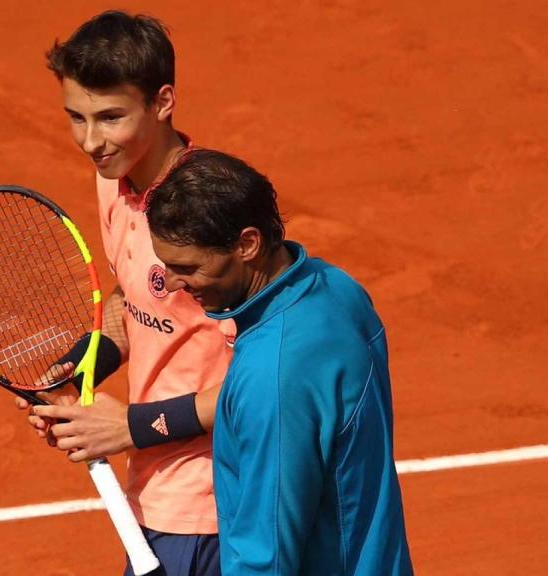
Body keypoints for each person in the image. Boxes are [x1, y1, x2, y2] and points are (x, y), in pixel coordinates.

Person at [14, 11, 232, 575]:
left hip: (218, 502)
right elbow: (134, 298)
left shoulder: (212, 221)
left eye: (111, 117)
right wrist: (76, 367)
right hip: (154, 493)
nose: (90, 141)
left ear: (163, 102)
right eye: (76, 118)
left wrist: (129, 427)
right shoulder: (117, 180)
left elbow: (267, 380)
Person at [144, 149, 414, 575]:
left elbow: (266, 552)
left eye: (188, 267)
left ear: (247, 244)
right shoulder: (337, 289)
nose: (175, 284)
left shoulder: (273, 373)